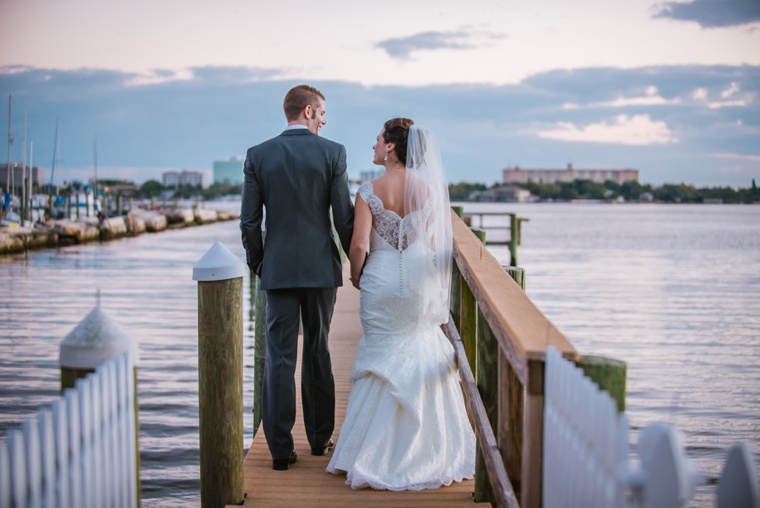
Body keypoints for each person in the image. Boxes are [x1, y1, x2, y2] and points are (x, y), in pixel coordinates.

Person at [326, 118, 475, 490]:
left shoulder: (368, 190)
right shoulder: (428, 192)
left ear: (391, 146)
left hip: (381, 280)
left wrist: (356, 274)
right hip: (418, 279)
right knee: (421, 343)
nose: (374, 145)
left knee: (380, 354)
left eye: (377, 139)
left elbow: (359, 245)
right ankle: (429, 446)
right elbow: (428, 240)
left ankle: (368, 449)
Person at [240, 84, 354, 471]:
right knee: (318, 350)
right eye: (322, 112)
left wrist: (260, 264)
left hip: (278, 271)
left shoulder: (258, 155)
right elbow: (343, 217)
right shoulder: (333, 152)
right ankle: (320, 441)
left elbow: (249, 222)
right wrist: (357, 262)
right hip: (322, 269)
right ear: (308, 111)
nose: (324, 120)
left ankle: (279, 449)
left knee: (279, 358)